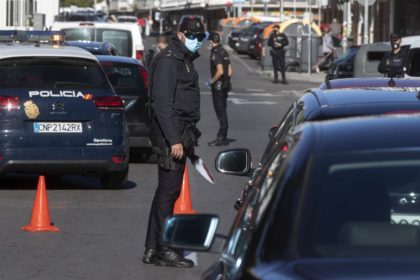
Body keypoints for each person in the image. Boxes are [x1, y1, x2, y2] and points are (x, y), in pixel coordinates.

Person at [143, 21, 205, 268]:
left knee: (165, 192)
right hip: (172, 135)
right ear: (180, 35)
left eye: (201, 36)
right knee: (168, 193)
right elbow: (162, 104)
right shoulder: (170, 61)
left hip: (181, 132)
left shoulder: (183, 59)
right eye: (192, 35)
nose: (198, 39)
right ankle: (164, 249)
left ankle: (151, 248)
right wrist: (174, 140)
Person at [207, 32, 233, 146]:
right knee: (223, 110)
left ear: (211, 41)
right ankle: (223, 134)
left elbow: (220, 71)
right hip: (225, 85)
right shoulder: (224, 51)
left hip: (218, 87)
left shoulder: (216, 53)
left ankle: (222, 136)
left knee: (220, 112)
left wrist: (211, 81)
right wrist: (226, 81)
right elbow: (230, 70)